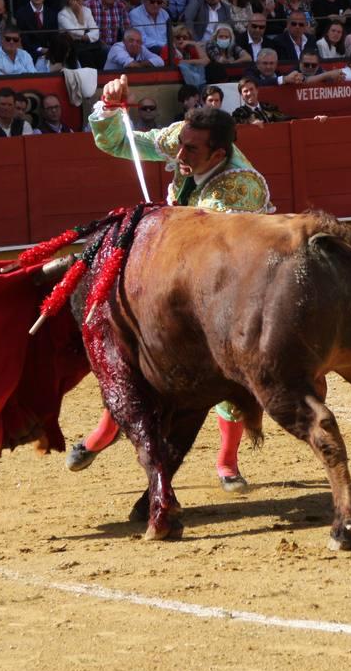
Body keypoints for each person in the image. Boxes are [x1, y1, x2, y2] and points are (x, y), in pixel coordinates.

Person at [69, 73, 271, 491]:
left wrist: (157, 221)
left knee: (231, 367)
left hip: (236, 280)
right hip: (180, 273)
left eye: (190, 150)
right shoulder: (185, 138)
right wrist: (109, 109)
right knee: (132, 351)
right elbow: (119, 142)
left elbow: (207, 245)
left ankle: (227, 460)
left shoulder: (240, 185)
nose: (179, 153)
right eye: (180, 143)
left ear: (218, 153)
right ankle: (105, 431)